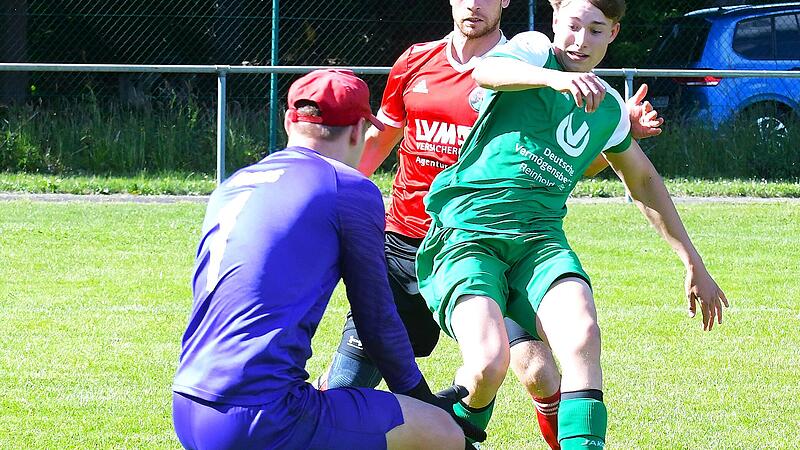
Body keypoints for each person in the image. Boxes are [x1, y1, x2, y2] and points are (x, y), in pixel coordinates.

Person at [316, 1, 664, 449]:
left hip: (491, 246)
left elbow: (559, 164)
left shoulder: (528, 62)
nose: (475, 4)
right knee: (349, 381)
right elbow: (379, 141)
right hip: (407, 245)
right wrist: (327, 199)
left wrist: (618, 134)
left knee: (537, 371)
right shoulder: (416, 61)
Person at [415, 0, 729, 449]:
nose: (581, 41)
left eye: (596, 30)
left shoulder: (609, 109)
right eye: (573, 26)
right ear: (555, 21)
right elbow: (485, 72)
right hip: (468, 234)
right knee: (487, 365)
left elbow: (641, 178)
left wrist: (692, 262)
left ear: (614, 33)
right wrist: (554, 79)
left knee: (581, 335)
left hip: (539, 243)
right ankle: (448, 429)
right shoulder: (533, 52)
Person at [171, 69, 486, 450]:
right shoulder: (348, 187)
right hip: (261, 414)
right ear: (358, 131)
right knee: (443, 434)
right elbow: (377, 319)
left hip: (187, 403)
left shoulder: (234, 184)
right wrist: (423, 399)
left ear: (289, 120)